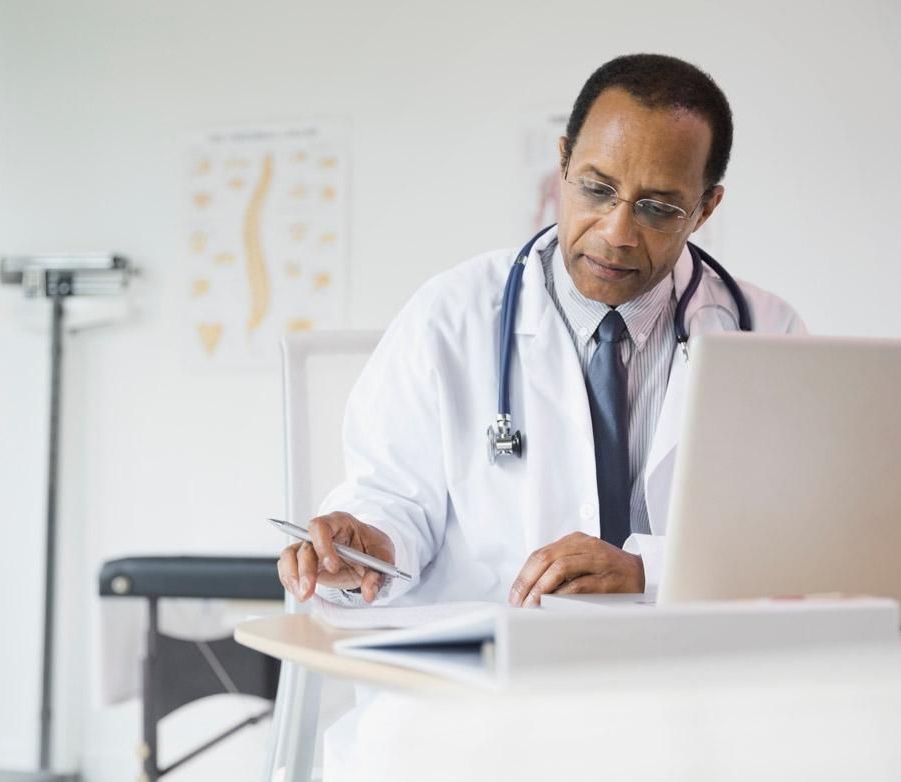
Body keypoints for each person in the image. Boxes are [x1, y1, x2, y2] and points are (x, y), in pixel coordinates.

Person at [278, 53, 805, 610]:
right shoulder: (450, 316)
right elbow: (391, 499)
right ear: (563, 163)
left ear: (704, 209)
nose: (617, 232)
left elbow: (796, 536)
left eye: (657, 209)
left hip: (687, 671)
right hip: (493, 675)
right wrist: (368, 547)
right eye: (598, 191)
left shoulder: (767, 334)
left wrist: (645, 571)